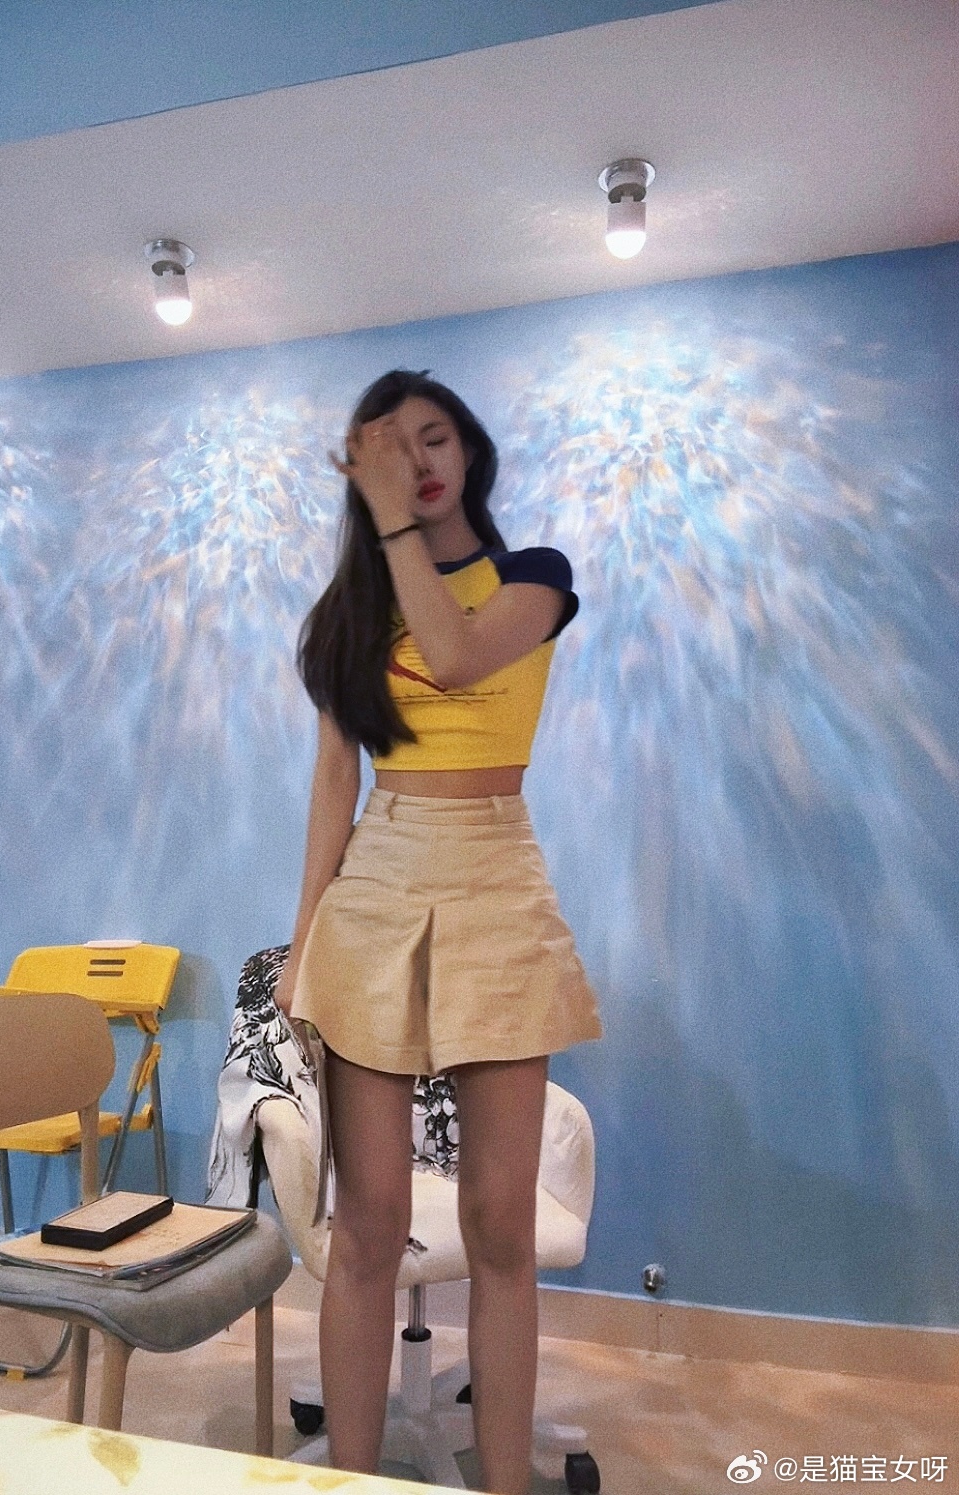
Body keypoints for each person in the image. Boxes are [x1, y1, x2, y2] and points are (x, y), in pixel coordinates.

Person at [273, 369, 601, 1495]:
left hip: (497, 878)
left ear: (470, 452)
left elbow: (456, 653)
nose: (418, 461)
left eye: (435, 437)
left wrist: (386, 520)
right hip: (377, 880)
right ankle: (349, 1481)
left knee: (499, 1226)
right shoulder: (346, 618)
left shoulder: (535, 576)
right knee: (367, 1228)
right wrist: (303, 945)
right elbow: (334, 781)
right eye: (393, 447)